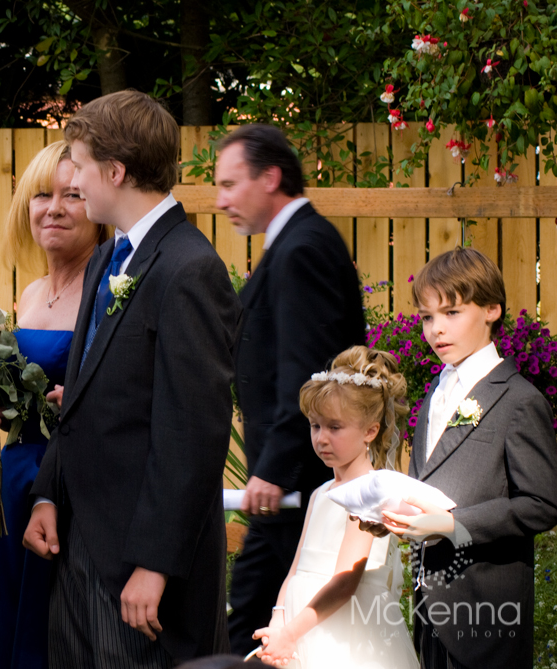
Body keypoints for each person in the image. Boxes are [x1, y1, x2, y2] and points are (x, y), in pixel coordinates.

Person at [24, 89, 240, 666]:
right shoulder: (107, 259)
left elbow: (193, 434)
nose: (73, 180)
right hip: (78, 542)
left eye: (79, 166)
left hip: (139, 565)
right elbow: (80, 396)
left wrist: (154, 564)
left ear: (115, 171)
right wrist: (47, 492)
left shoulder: (189, 268)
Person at [214, 123, 366, 655]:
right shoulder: (295, 243)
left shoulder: (303, 248)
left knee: (254, 629)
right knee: (264, 629)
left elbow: (309, 373)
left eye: (230, 184)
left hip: (298, 485)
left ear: (271, 177)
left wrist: (275, 470)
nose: (221, 200)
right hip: (287, 487)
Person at [370, 248, 557, 669]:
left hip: (487, 616)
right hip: (430, 609)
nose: (436, 329)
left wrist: (452, 524)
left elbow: (542, 504)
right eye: (427, 317)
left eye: (452, 312)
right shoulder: (434, 395)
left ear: (492, 310)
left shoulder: (520, 400)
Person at [0, 140, 107, 669]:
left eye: (73, 195)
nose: (55, 208)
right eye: (43, 195)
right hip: (14, 480)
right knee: (2, 622)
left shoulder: (107, 293)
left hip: (68, 488)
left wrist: (84, 405)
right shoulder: (31, 294)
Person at [251, 346, 419, 668]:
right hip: (300, 626)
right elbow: (296, 568)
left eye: (335, 427)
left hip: (345, 632)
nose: (322, 438)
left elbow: (344, 582)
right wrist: (278, 619)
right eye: (315, 426)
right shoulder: (320, 493)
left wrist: (291, 633)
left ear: (370, 430)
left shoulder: (369, 493)